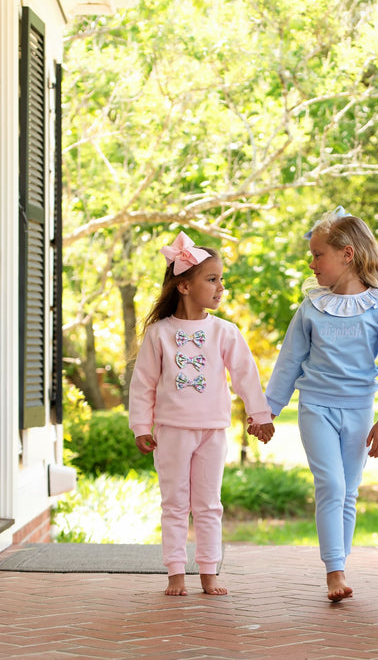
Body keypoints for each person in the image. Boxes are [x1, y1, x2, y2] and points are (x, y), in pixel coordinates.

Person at [248, 206, 378, 602]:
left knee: (348, 491)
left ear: (346, 255)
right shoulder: (311, 306)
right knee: (331, 485)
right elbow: (289, 362)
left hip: (358, 411)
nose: (312, 263)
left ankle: (341, 566)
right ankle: (334, 572)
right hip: (315, 407)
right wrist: (267, 411)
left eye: (319, 254)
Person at [129, 230, 275, 597]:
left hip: (213, 431)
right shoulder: (159, 334)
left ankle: (209, 570)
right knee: (175, 503)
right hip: (172, 432)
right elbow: (143, 384)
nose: (220, 287)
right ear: (183, 286)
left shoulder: (225, 332)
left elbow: (245, 376)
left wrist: (260, 415)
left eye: (221, 279)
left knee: (209, 504)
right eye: (212, 279)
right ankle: (176, 572)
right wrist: (140, 427)